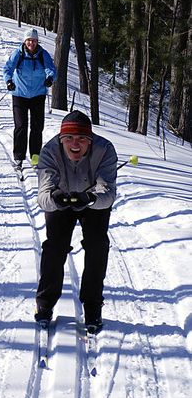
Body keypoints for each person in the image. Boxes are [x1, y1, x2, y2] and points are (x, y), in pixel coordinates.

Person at [34, 110, 118, 330]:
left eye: (82, 139)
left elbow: (107, 194)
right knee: (55, 247)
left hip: (92, 200)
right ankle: (44, 304)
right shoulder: (50, 152)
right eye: (69, 138)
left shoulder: (105, 150)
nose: (75, 144)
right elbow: (43, 196)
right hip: (61, 198)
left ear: (90, 140)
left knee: (97, 245)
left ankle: (92, 306)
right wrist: (55, 198)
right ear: (61, 139)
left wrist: (90, 198)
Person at [3, 28, 56, 168]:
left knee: (37, 128)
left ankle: (35, 158)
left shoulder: (43, 54)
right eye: (29, 40)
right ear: (25, 41)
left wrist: (50, 78)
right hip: (19, 94)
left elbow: (51, 69)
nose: (31, 43)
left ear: (37, 41)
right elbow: (7, 68)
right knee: (21, 126)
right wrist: (9, 81)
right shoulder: (18, 53)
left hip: (38, 94)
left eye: (34, 40)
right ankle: (19, 157)